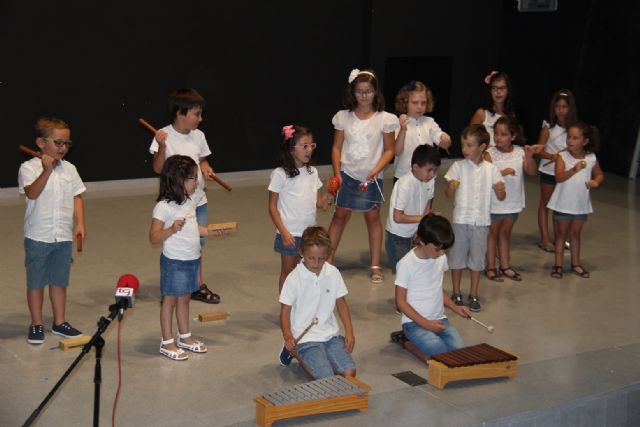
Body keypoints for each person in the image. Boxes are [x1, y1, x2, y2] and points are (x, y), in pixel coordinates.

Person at [149, 88, 220, 304]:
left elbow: (203, 159)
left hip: (198, 200)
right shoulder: (163, 135)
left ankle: (195, 284)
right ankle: (171, 286)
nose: (200, 118)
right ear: (180, 113)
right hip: (176, 204)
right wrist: (162, 146)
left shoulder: (199, 136)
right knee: (173, 241)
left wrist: (206, 168)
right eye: (196, 114)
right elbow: (158, 168)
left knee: (196, 242)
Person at [327, 68, 399, 284]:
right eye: (359, 91)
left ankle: (375, 264)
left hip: (371, 177)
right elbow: (337, 147)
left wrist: (377, 169)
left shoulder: (385, 119)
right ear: (353, 93)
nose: (364, 96)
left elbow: (390, 149)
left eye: (368, 91)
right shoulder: (343, 117)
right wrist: (337, 173)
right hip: (347, 175)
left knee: (373, 219)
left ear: (375, 92)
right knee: (339, 217)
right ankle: (327, 260)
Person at [19, 117, 86, 344]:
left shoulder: (70, 169)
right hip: (38, 236)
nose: (63, 148)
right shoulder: (28, 168)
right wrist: (46, 171)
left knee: (59, 281)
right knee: (36, 282)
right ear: (40, 142)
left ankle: (59, 322)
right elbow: (31, 193)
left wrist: (80, 223)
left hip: (62, 236)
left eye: (66, 144)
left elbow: (76, 196)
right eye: (58, 143)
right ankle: (36, 323)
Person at [150, 155, 218, 360]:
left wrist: (213, 231)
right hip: (174, 262)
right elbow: (154, 237)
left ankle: (184, 337)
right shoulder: (164, 206)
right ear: (178, 180)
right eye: (192, 178)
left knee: (185, 299)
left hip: (192, 259)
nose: (197, 183)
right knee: (169, 301)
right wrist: (171, 229)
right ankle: (167, 342)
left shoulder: (189, 201)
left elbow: (194, 228)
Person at [278, 226, 356, 379]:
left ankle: (322, 356)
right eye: (311, 258)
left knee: (349, 372)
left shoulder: (333, 273)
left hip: (330, 336)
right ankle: (294, 351)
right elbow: (285, 311)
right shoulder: (294, 278)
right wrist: (288, 336)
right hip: (305, 338)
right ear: (301, 253)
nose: (316, 263)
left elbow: (341, 303)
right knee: (325, 377)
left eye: (321, 258)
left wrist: (349, 331)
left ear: (328, 253)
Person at [444, 125, 505, 312]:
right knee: (457, 257)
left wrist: (500, 190)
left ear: (482, 147)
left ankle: (473, 293)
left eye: (470, 145)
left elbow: (501, 196)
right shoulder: (457, 167)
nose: (465, 149)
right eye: (463, 145)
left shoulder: (492, 169)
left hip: (481, 221)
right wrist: (452, 188)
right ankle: (456, 292)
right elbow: (447, 194)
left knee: (477, 259)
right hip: (461, 219)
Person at [395, 214, 471, 358]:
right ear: (422, 241)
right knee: (439, 353)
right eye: (438, 249)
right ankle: (407, 342)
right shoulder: (406, 264)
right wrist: (425, 323)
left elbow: (437, 289)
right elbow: (400, 302)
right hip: (414, 323)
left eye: (444, 249)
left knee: (459, 351)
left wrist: (455, 307)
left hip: (439, 319)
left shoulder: (440, 258)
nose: (442, 253)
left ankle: (420, 342)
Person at [268, 124, 330, 292]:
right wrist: (284, 231)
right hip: (289, 233)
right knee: (288, 272)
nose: (309, 150)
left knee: (305, 272)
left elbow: (319, 203)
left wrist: (328, 197)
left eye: (311, 145)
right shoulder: (280, 174)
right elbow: (272, 206)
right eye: (304, 146)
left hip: (308, 234)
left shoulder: (313, 172)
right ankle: (286, 308)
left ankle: (301, 305)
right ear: (291, 149)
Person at [483, 116, 537, 282]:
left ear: (513, 136)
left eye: (504, 134)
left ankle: (505, 265)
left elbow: (532, 172)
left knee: (505, 233)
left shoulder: (520, 152)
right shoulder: (489, 154)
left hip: (512, 202)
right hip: (495, 202)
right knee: (492, 233)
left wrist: (529, 156)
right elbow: (485, 177)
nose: (499, 137)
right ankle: (490, 266)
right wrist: (502, 173)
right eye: (496, 133)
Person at [547, 122, 603, 279]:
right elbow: (559, 177)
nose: (570, 141)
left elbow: (599, 174)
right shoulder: (562, 156)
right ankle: (557, 264)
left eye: (575, 138)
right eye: (569, 137)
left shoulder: (591, 158)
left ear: (585, 141)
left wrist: (596, 182)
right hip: (563, 204)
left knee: (575, 234)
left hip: (580, 205)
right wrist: (573, 169)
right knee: (561, 234)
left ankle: (575, 263)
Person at [534, 90, 579, 253]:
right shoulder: (548, 127)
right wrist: (552, 157)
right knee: (545, 205)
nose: (561, 110)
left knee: (562, 206)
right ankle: (544, 238)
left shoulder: (574, 129)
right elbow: (538, 150)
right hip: (549, 172)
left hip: (566, 174)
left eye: (564, 107)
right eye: (557, 106)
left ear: (570, 109)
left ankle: (561, 238)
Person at [385, 145, 440, 275]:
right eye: (429, 170)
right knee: (403, 274)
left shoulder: (430, 181)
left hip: (414, 234)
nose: (432, 175)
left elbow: (427, 207)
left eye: (435, 171)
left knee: (416, 271)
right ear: (415, 168)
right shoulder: (405, 184)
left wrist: (421, 230)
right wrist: (424, 219)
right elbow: (397, 217)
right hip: (398, 236)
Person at [393, 81, 451, 182]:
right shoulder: (398, 123)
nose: (420, 106)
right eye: (415, 102)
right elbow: (397, 151)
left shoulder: (430, 122)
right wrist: (403, 129)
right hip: (404, 176)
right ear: (405, 102)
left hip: (427, 176)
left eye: (423, 103)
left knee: (427, 198)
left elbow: (443, 142)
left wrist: (445, 140)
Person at [470, 71, 516, 146]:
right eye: (495, 88)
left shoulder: (511, 115)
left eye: (502, 88)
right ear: (490, 91)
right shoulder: (481, 114)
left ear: (508, 91)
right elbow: (469, 139)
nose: (498, 92)